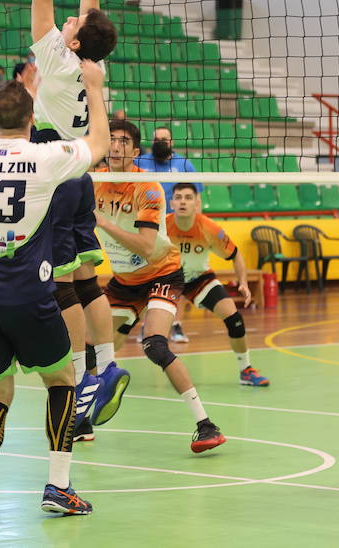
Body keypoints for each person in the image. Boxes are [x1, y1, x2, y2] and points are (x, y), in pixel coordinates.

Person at [0, 73, 110, 522]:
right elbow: (98, 143)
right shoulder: (47, 157)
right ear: (32, 119)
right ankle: (59, 487)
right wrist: (95, 87)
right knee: (62, 380)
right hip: (27, 293)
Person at [29, 0, 124, 438]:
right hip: (83, 168)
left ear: (76, 41)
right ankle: (104, 364)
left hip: (54, 165)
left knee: (61, 285)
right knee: (88, 279)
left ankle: (81, 384)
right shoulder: (93, 65)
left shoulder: (57, 58)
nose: (69, 18)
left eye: (74, 25)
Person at [94, 119, 227, 453]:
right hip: (124, 282)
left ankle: (205, 425)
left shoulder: (148, 187)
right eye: (110, 139)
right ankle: (82, 420)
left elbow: (144, 245)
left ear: (135, 152)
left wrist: (102, 222)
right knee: (92, 350)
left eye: (123, 141)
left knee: (154, 344)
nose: (115, 146)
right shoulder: (92, 183)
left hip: (162, 274)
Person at [167, 184, 269, 385]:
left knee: (234, 318)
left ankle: (246, 370)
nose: (183, 201)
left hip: (199, 279)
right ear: (171, 203)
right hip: (168, 279)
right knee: (133, 323)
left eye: (188, 197)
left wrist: (243, 283)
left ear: (197, 203)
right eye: (178, 197)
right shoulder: (162, 226)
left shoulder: (209, 228)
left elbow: (235, 254)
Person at [134, 126, 201, 205]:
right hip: (145, 214)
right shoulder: (139, 162)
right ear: (152, 142)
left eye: (164, 140)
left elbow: (197, 199)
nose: (160, 143)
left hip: (174, 215)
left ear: (171, 142)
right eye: (157, 140)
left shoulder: (184, 164)